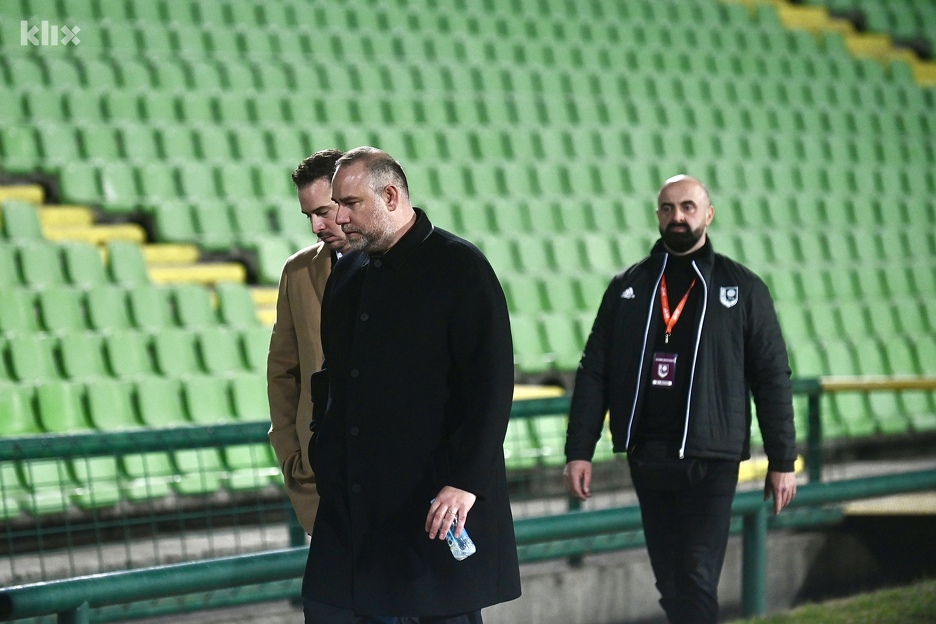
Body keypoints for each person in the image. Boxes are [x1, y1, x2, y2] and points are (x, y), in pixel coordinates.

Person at [564, 175, 797, 624]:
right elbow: (594, 371)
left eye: (688, 207)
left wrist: (782, 459)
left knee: (695, 577)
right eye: (668, 208)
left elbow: (772, 377)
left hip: (712, 457)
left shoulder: (743, 288)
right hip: (648, 455)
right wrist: (579, 451)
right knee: (671, 583)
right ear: (657, 216)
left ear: (709, 215)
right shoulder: (628, 286)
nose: (678, 216)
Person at [302, 146, 521, 623]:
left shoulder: (460, 266)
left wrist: (464, 482)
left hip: (433, 505)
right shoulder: (348, 272)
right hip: (355, 508)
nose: (339, 217)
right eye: (336, 204)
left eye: (350, 204)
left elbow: (490, 386)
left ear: (391, 196)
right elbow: (333, 377)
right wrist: (325, 450)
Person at [267, 149, 350, 535]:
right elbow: (282, 372)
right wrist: (292, 456)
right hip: (322, 483)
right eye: (308, 216)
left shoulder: (404, 268)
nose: (316, 226)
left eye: (323, 212)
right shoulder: (297, 271)